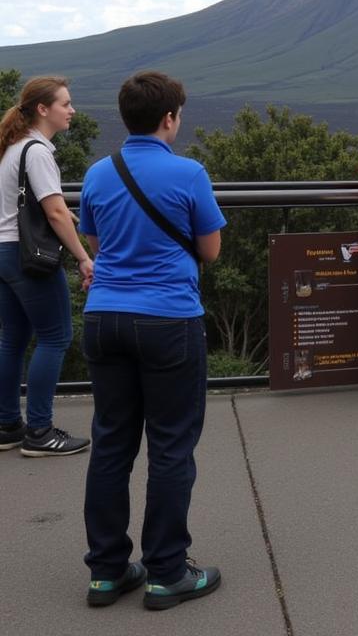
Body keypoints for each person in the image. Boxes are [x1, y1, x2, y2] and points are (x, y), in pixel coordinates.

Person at [78, 72, 226, 609]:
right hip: (169, 322)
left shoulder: (97, 173)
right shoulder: (188, 173)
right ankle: (167, 572)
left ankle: (107, 572)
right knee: (170, 447)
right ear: (170, 117)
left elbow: (96, 242)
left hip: (104, 319)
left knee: (112, 443)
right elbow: (209, 251)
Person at [0, 75, 93, 457]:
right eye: (65, 104)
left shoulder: (12, 147)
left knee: (13, 339)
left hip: (5, 252)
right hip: (29, 258)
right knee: (55, 337)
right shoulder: (37, 151)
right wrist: (85, 258)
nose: (72, 110)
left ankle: (7, 425)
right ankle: (40, 431)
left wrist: (60, 213)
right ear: (43, 109)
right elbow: (54, 211)